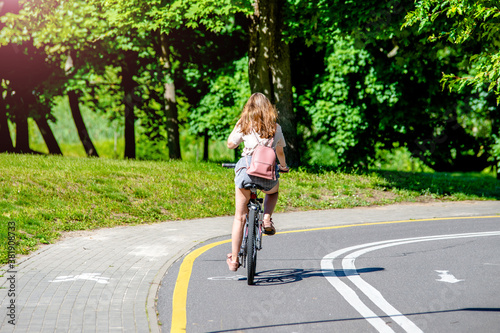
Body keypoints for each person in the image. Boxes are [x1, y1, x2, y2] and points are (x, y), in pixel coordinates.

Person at [226, 92, 289, 271]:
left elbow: (231, 144)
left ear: (249, 108)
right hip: (267, 175)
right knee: (273, 191)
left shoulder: (244, 124)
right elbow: (280, 152)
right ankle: (267, 219)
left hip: (246, 172)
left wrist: (239, 124)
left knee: (240, 217)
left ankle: (235, 259)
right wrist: (283, 166)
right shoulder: (275, 127)